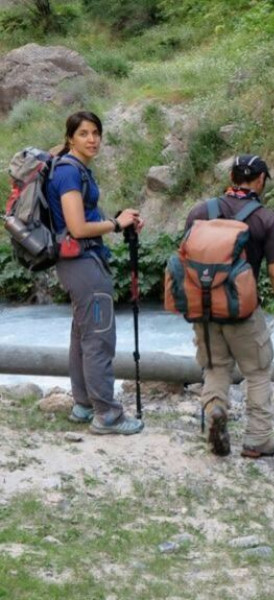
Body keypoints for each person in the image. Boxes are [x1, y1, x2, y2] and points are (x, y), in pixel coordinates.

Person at [184, 154, 274, 458]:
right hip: (243, 311)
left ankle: (216, 409)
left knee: (215, 367)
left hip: (204, 308)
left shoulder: (199, 212)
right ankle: (258, 438)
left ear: (231, 178)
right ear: (260, 181)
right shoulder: (266, 219)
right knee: (258, 371)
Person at [47, 111, 145, 435]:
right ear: (70, 138)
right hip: (83, 264)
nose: (92, 139)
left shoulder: (73, 169)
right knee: (100, 337)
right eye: (84, 133)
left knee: (83, 335)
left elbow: (84, 216)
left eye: (96, 133)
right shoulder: (69, 173)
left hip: (79, 263)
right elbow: (76, 227)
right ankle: (108, 415)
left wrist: (117, 219)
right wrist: (117, 225)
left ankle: (83, 404)